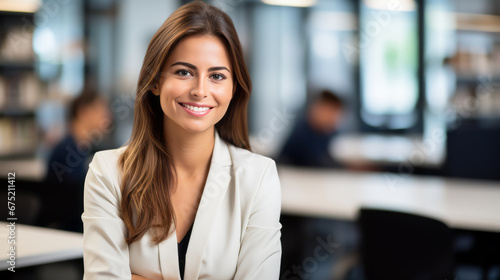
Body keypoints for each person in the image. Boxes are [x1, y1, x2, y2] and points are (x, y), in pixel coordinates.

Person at [82, 2, 282, 280]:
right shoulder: (108, 172)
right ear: (155, 81)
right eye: (183, 72)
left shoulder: (259, 177)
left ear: (233, 88)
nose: (200, 91)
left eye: (217, 76)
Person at [41, 88, 110, 233]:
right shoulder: (68, 151)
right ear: (84, 112)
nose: (107, 116)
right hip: (66, 233)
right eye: (101, 109)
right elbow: (75, 205)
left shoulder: (79, 147)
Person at [278, 90, 344, 168]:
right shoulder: (302, 134)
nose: (334, 119)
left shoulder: (323, 133)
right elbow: (316, 164)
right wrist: (346, 168)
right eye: (331, 112)